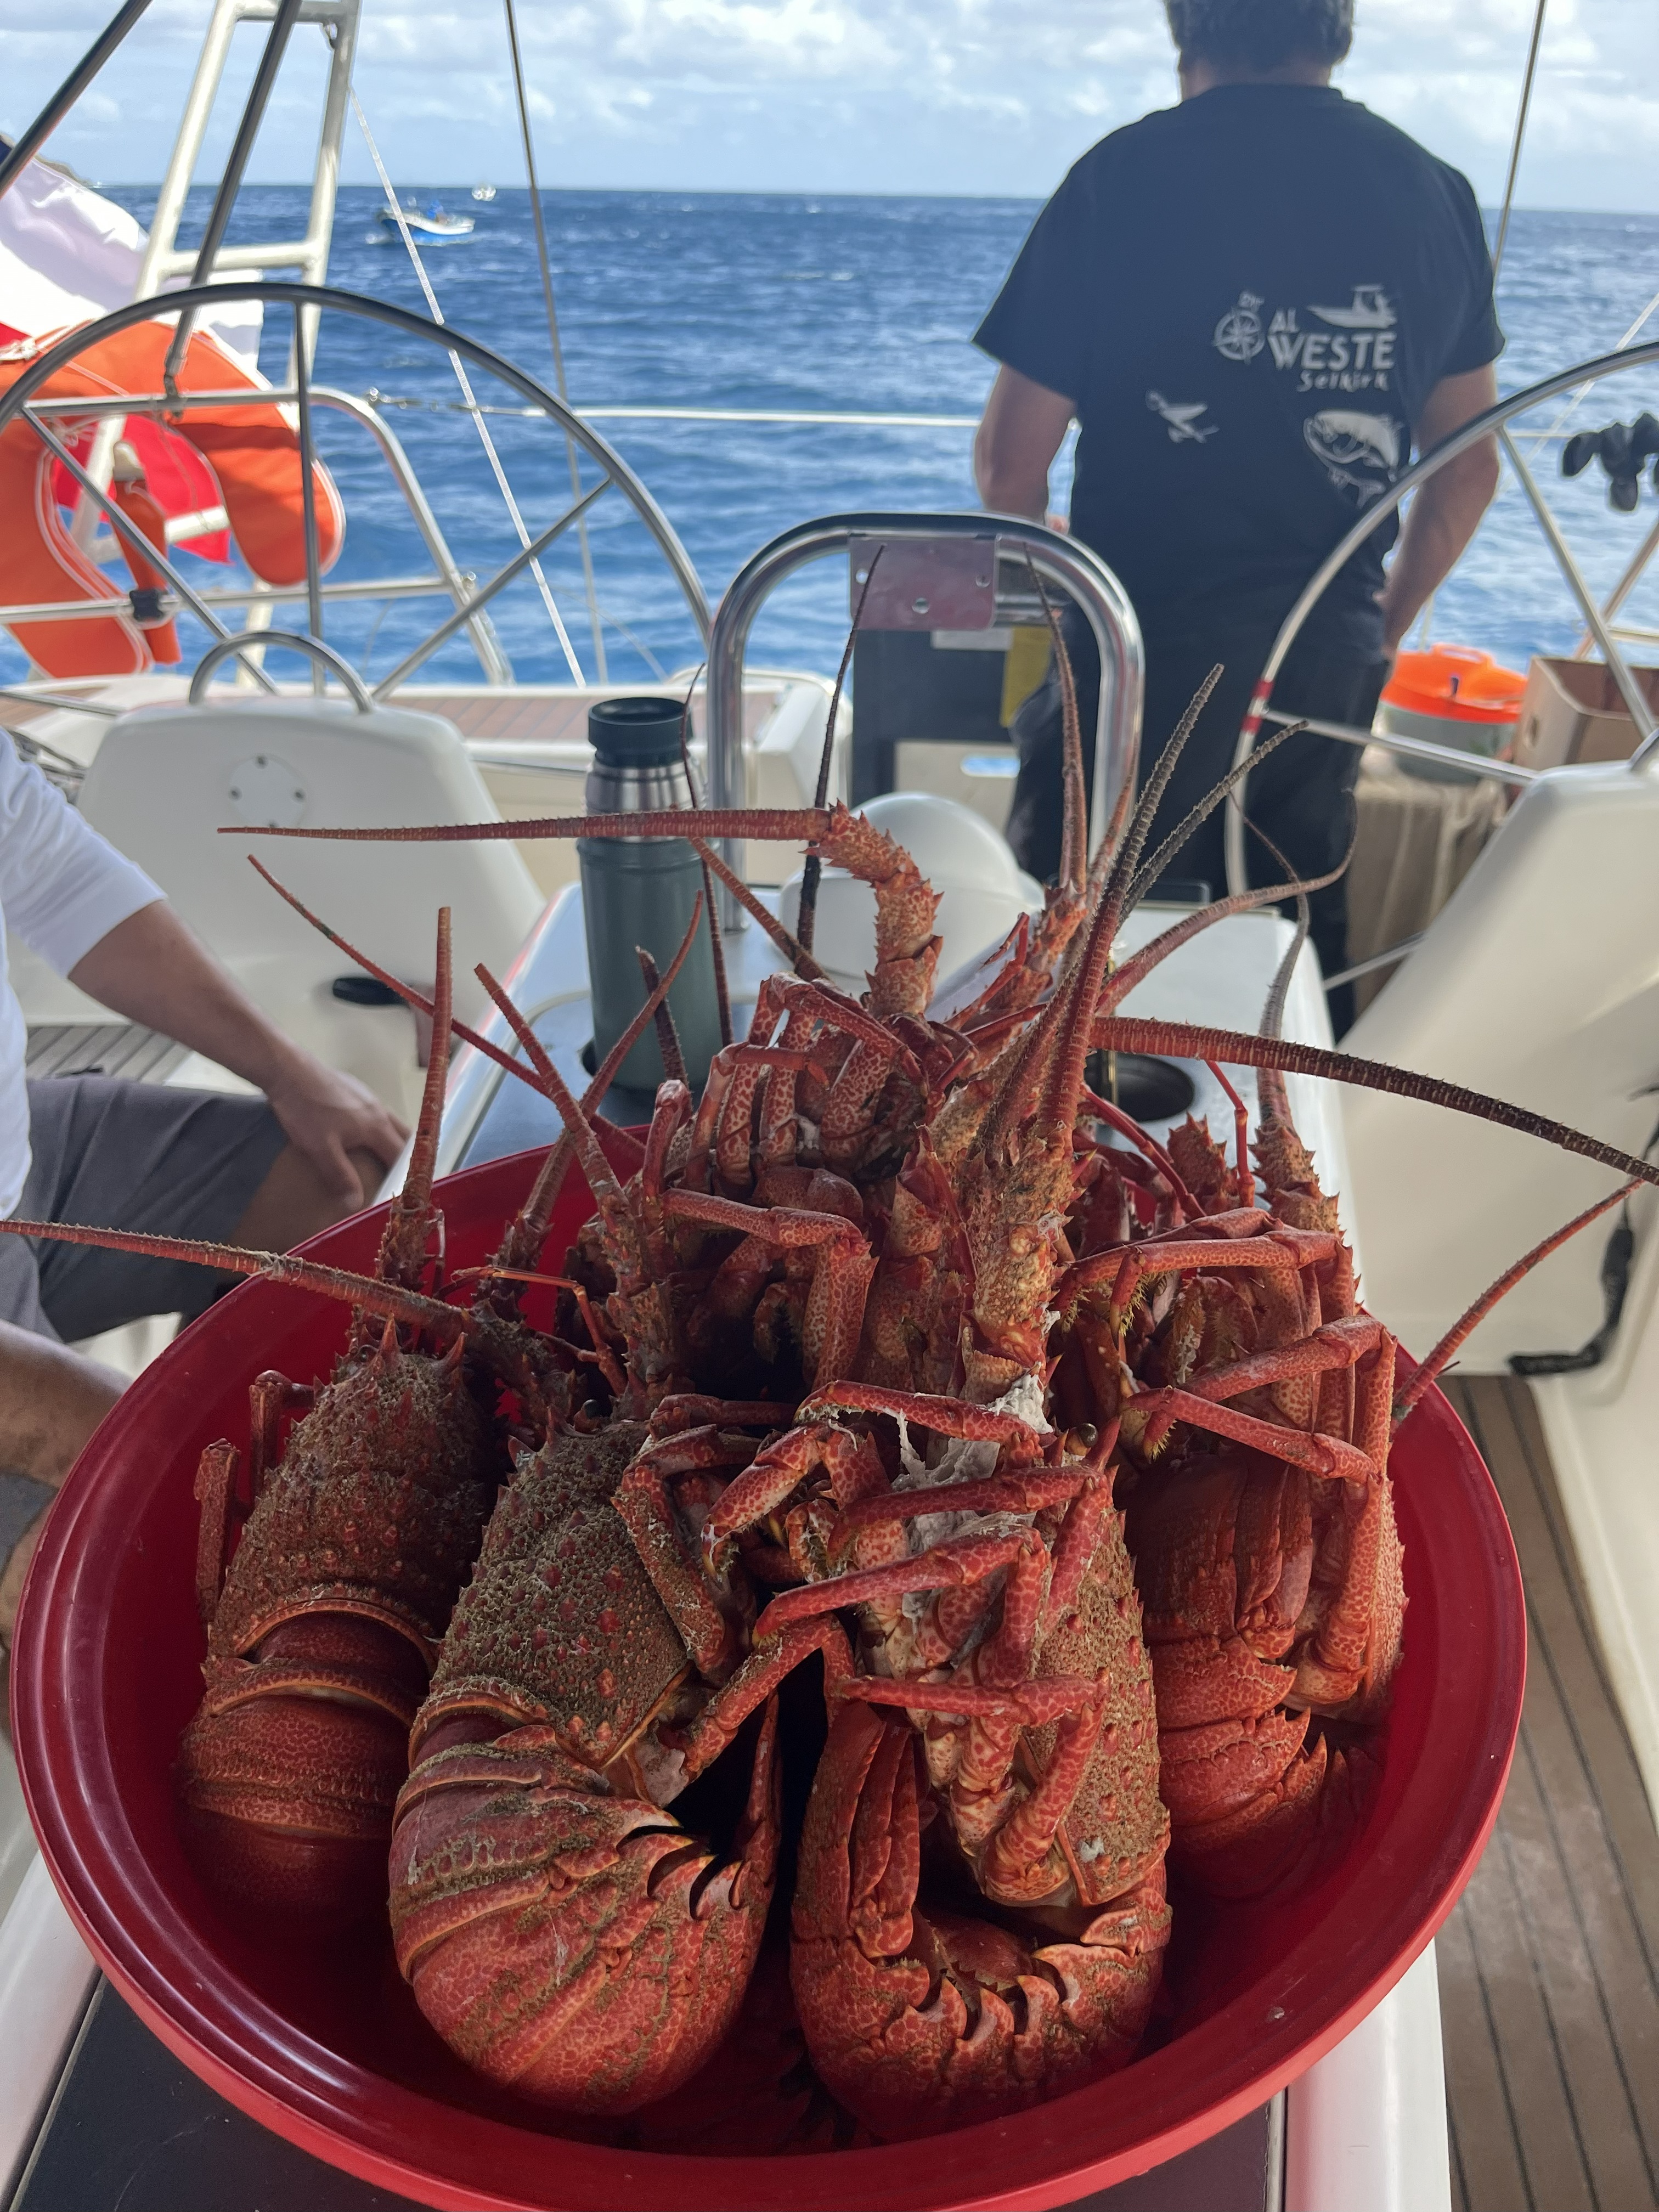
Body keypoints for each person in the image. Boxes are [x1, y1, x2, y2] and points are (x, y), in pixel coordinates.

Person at [973, 0, 1503, 1027]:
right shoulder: (1434, 191)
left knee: (1071, 952)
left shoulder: (1120, 177)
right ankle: (1293, 1164)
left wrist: (1079, 612)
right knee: (1287, 932)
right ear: (1336, 25)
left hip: (1136, 654)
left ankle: (1066, 1169)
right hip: (1319, 659)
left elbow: (1008, 467)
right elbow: (1465, 469)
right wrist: (1372, 634)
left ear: (1187, 27)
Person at [0, 732, 406, 1646]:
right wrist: (147, 1443)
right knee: (71, 1592)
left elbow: (60, 879)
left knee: (348, 1191)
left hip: (28, 1156)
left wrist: (291, 1071)